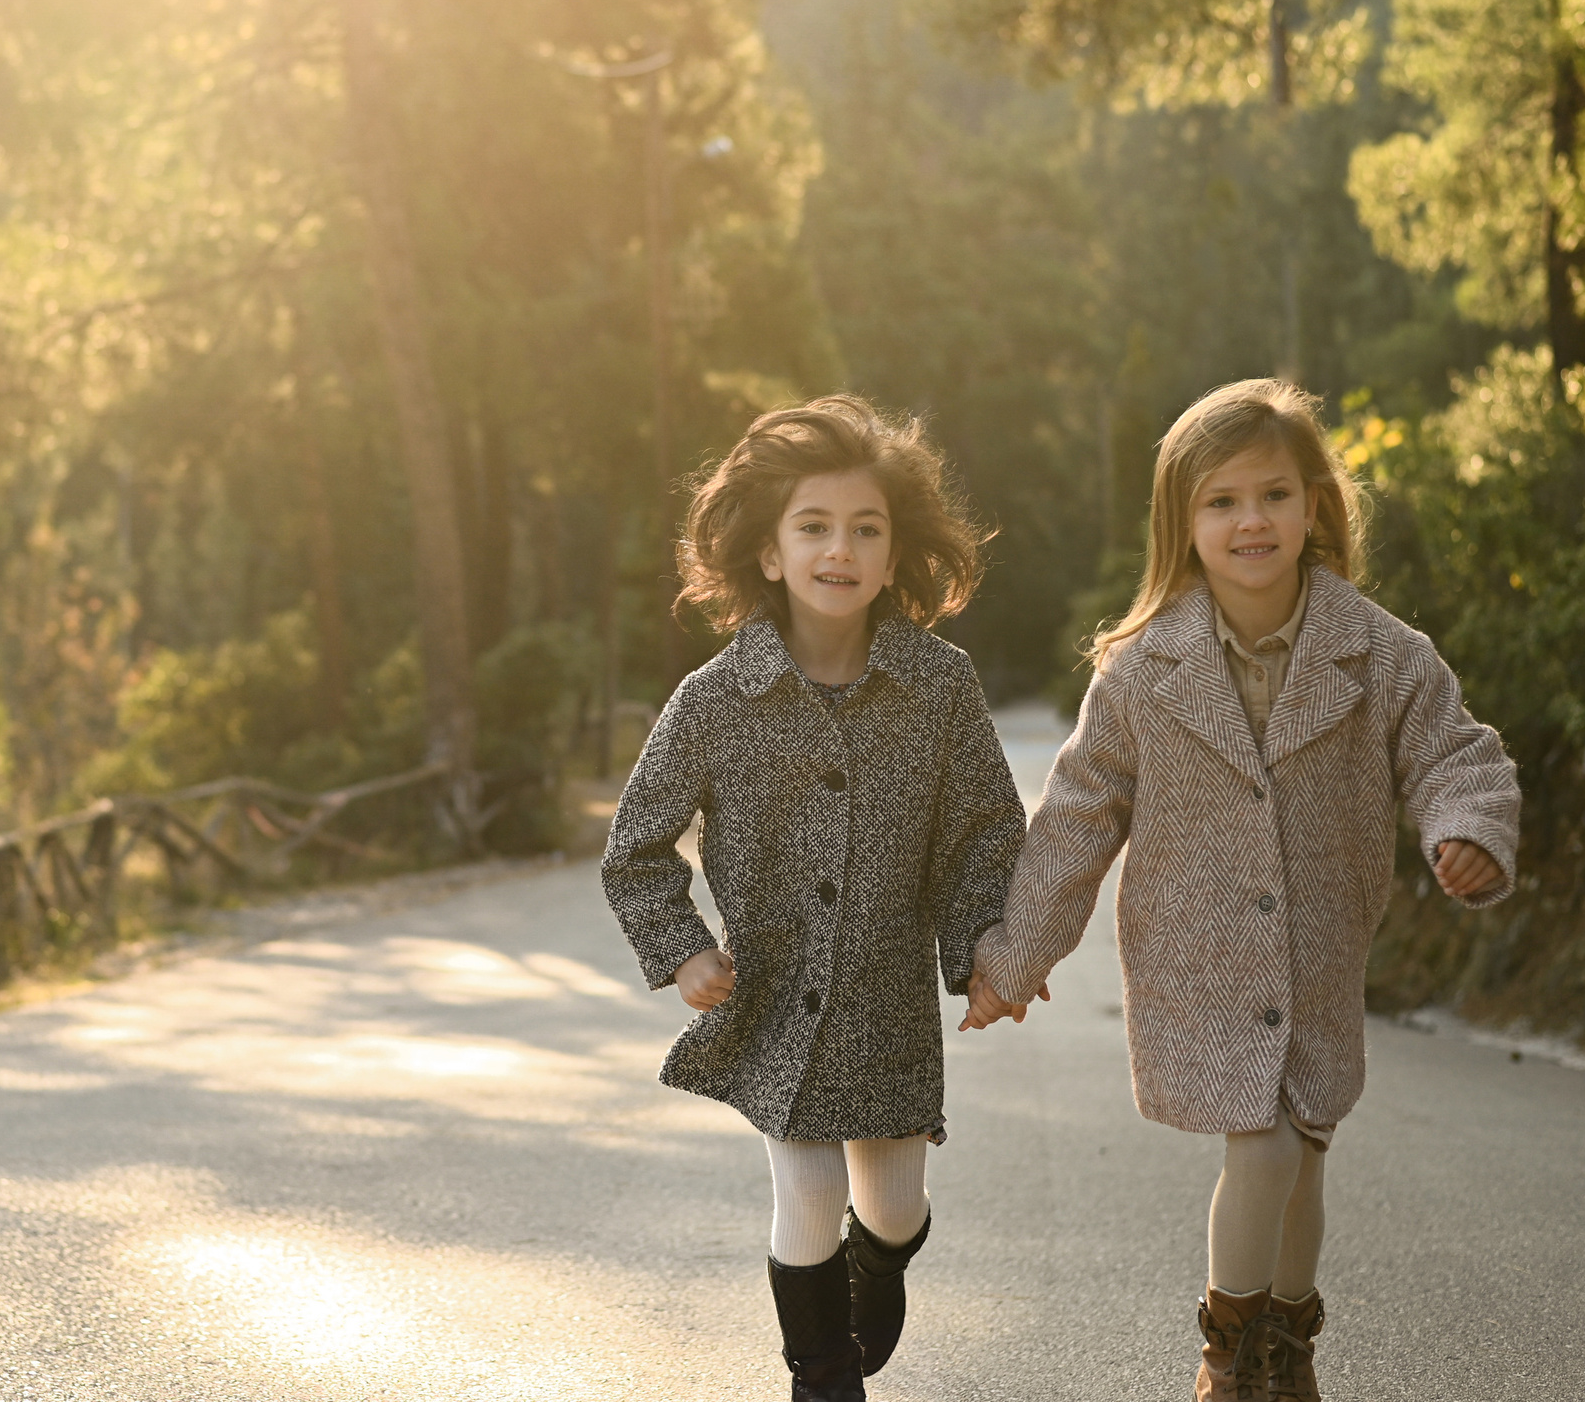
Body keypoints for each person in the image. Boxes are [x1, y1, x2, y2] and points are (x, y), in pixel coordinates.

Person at [967, 377, 1519, 1402]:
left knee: (1303, 1152)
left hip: (1318, 949)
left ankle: (1287, 1347)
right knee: (1261, 1142)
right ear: (1183, 522)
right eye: (1220, 501)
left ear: (1314, 505)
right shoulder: (1141, 671)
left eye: (1271, 494)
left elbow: (1454, 753)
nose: (1249, 521)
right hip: (1197, 955)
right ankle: (1226, 1353)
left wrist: (1465, 828)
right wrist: (1017, 953)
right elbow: (1077, 815)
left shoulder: (1379, 651)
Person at [601, 395, 1034, 1402]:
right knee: (805, 1185)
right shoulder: (714, 699)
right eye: (813, 526)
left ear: (894, 555)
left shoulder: (939, 686)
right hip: (773, 1005)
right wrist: (682, 951)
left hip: (886, 1011)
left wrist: (978, 947)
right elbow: (636, 847)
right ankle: (821, 1375)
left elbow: (983, 830)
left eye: (865, 529)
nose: (839, 549)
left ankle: (876, 1264)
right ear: (769, 552)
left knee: (889, 1208)